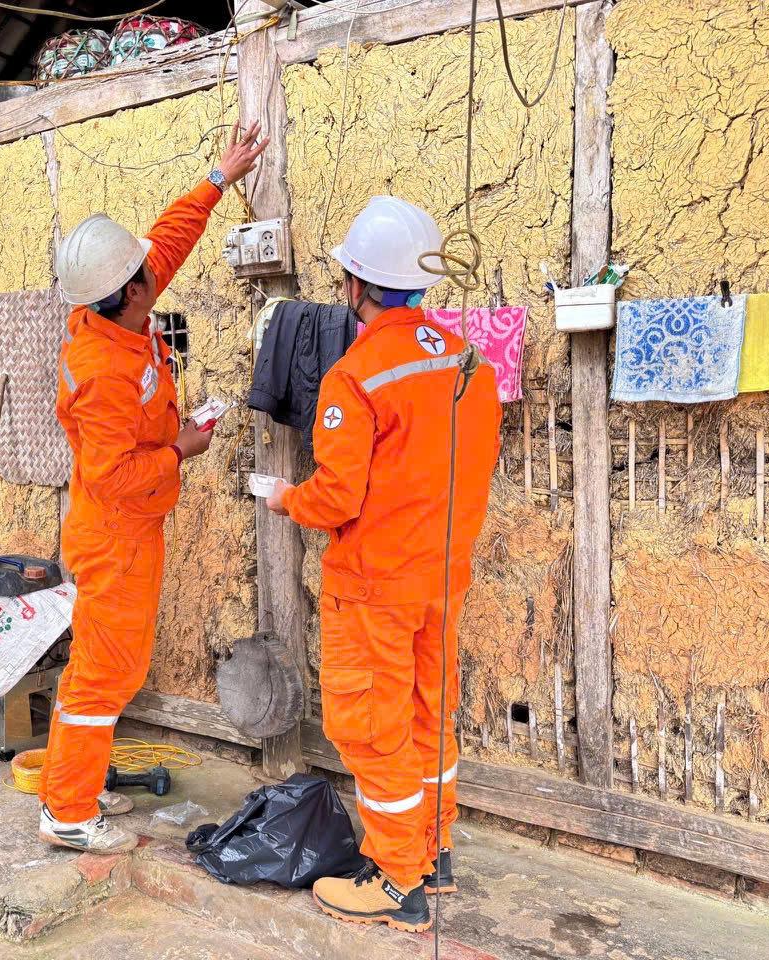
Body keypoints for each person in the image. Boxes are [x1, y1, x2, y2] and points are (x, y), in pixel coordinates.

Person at [264, 197, 502, 932]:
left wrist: (286, 499)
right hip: (442, 578)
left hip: (375, 587)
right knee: (430, 714)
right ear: (421, 284)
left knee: (372, 728)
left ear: (355, 285)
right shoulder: (470, 364)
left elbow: (337, 497)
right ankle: (434, 854)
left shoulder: (356, 376)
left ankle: (399, 881)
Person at [36, 122, 270, 854]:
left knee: (111, 668)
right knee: (103, 673)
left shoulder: (112, 307)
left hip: (131, 528)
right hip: (115, 533)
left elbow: (166, 241)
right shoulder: (103, 372)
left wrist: (218, 178)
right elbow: (113, 477)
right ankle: (67, 812)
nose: (154, 268)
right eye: (146, 272)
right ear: (133, 292)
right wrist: (180, 448)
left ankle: (78, 783)